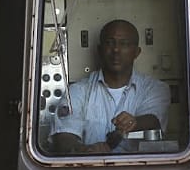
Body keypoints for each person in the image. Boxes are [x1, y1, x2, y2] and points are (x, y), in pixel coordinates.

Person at [52, 19, 170, 153]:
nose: (116, 49)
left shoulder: (155, 89)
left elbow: (153, 121)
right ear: (100, 50)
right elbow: (64, 137)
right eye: (109, 43)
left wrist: (135, 122)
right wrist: (84, 150)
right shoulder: (77, 91)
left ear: (137, 52)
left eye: (124, 44)